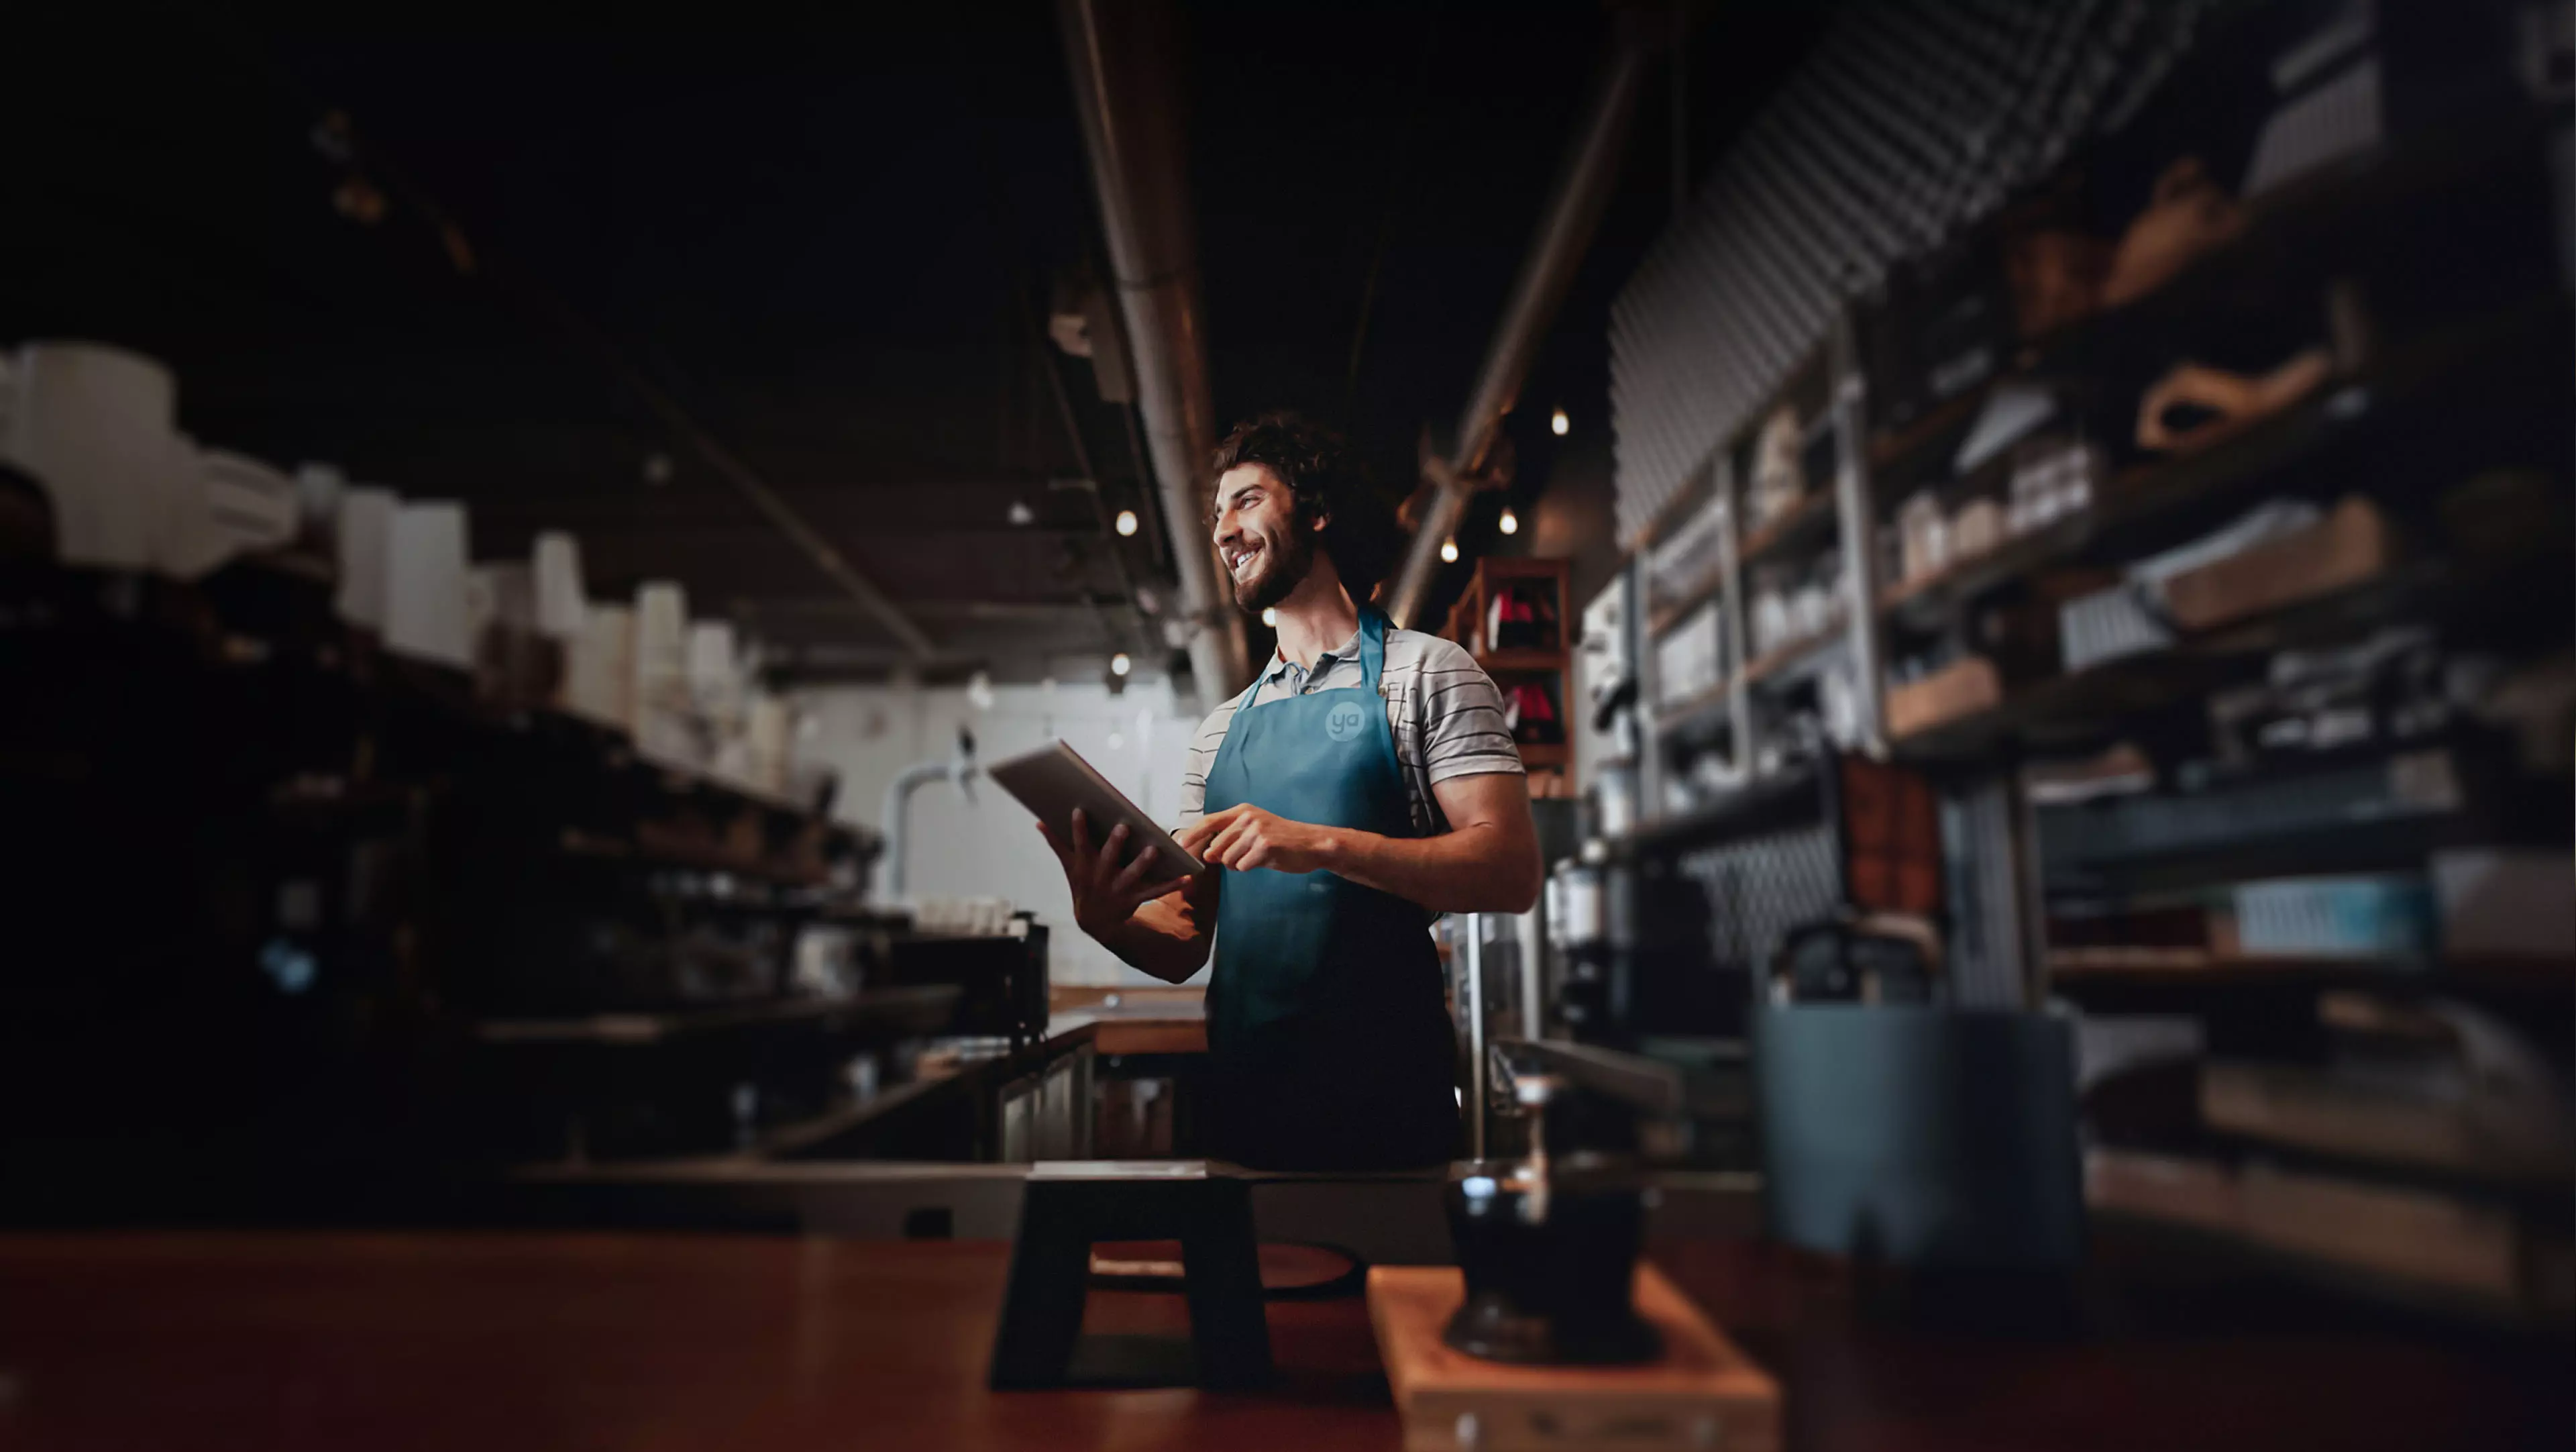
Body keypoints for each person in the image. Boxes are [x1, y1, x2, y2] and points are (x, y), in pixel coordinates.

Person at [1041, 411, 1540, 1170]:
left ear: (1317, 509)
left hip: (1391, 1114)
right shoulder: (1219, 730)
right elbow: (1184, 941)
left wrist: (1318, 843)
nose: (1221, 532)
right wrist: (1105, 918)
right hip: (1246, 1114)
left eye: (1245, 501)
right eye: (1215, 515)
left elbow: (1510, 870)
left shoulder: (1427, 673)